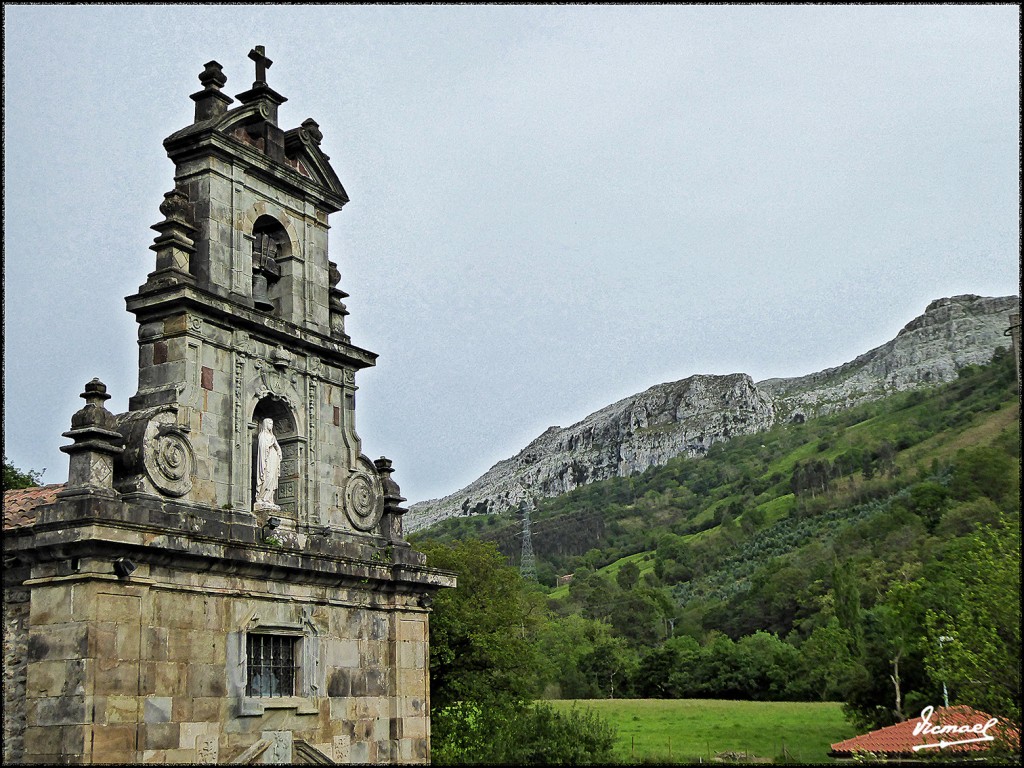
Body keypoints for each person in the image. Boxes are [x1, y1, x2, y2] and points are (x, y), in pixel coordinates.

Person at [255, 418, 282, 510]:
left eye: (272, 423)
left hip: (273, 459)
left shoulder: (272, 436)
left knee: (273, 478)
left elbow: (278, 447)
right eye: (270, 423)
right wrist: (271, 444)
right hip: (266, 460)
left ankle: (269, 498)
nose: (271, 425)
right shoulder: (262, 435)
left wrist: (278, 451)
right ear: (265, 424)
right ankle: (262, 498)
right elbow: (263, 447)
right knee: (268, 477)